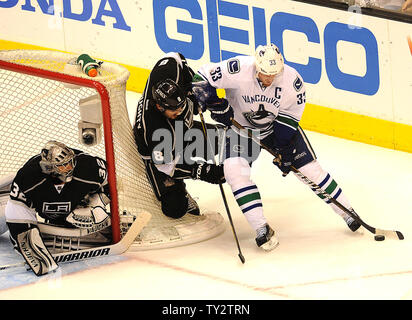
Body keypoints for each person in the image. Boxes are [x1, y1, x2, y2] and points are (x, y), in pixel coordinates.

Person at [192, 43, 361, 251]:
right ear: (256, 66)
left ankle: (348, 212)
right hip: (241, 130)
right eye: (265, 73)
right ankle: (261, 228)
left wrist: (284, 150)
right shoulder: (237, 68)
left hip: (276, 129)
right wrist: (214, 103)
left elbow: (289, 118)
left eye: (274, 73)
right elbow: (200, 77)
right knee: (234, 172)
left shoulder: (293, 81)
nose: (269, 78)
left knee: (309, 170)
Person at [133, 52, 225, 220]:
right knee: (175, 208)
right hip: (158, 158)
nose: (180, 111)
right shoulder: (155, 130)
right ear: (160, 107)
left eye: (182, 107)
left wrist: (193, 87)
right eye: (175, 110)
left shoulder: (165, 74)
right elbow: (167, 167)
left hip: (183, 134)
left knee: (231, 140)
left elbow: (175, 58)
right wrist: (204, 171)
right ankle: (179, 190)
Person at [4, 140, 111, 275]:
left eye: (71, 162)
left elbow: (111, 185)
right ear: (49, 168)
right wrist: (25, 238)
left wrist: (96, 203)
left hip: (69, 212)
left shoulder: (89, 166)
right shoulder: (28, 177)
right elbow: (17, 210)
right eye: (63, 166)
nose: (70, 168)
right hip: (21, 204)